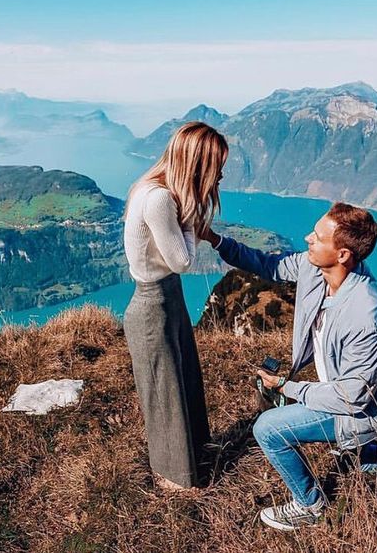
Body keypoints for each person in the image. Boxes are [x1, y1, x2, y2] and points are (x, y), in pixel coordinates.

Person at [199, 203, 377, 530]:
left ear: (342, 255)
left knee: (268, 429)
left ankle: (310, 506)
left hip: (368, 408)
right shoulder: (317, 269)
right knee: (353, 459)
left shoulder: (366, 313)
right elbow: (268, 265)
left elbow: (353, 398)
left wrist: (288, 388)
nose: (307, 237)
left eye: (318, 236)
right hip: (344, 393)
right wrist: (214, 239)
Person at [123, 121, 228, 490]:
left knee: (183, 380)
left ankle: (193, 454)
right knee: (165, 393)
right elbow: (182, 260)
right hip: (154, 304)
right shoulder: (160, 199)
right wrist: (195, 219)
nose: (219, 174)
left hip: (167, 298)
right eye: (216, 166)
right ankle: (176, 482)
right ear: (197, 163)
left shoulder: (152, 189)